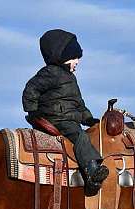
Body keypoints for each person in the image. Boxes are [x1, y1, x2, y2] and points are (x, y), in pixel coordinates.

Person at [22, 29, 109, 196]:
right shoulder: (51, 73)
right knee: (80, 137)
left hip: (68, 118)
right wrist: (32, 111)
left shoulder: (70, 78)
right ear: (62, 56)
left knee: (85, 132)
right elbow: (31, 89)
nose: (78, 61)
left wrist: (88, 118)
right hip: (56, 118)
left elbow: (78, 104)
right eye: (75, 57)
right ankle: (92, 172)